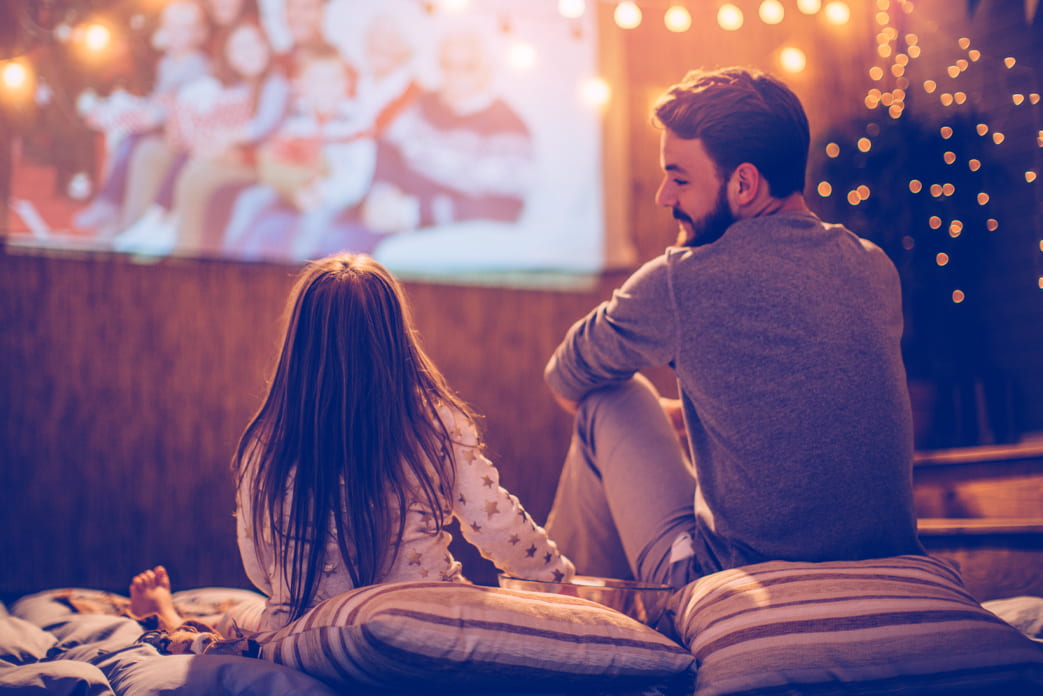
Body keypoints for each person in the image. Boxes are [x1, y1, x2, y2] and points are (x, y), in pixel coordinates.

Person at [543, 66, 925, 590]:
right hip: (881, 563)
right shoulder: (873, 267)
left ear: (743, 183)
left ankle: (561, 614)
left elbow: (565, 376)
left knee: (609, 398)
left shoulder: (683, 281)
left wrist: (657, 413)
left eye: (679, 178)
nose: (662, 196)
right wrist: (695, 414)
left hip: (730, 576)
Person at [234, 254, 574, 631]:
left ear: (299, 345)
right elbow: (496, 524)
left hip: (304, 630)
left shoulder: (266, 440)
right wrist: (555, 580)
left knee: (236, 618)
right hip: (427, 622)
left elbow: (258, 566)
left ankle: (175, 619)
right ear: (395, 336)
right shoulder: (436, 422)